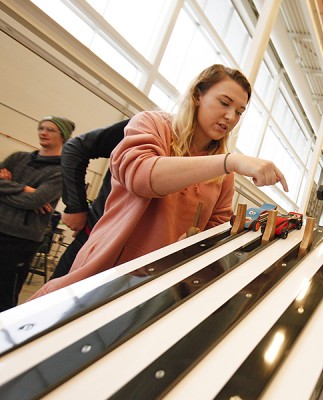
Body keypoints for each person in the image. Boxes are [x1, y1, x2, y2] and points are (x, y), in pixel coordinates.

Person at [30, 64, 288, 300]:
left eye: (239, 112)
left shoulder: (223, 173)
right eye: (224, 103)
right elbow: (142, 176)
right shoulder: (152, 125)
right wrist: (229, 161)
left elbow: (215, 228)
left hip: (158, 284)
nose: (231, 117)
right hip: (107, 271)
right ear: (198, 95)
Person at [0, 116, 75, 311]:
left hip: (20, 239)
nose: (43, 132)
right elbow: (31, 198)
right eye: (41, 128)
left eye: (50, 130)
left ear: (63, 136)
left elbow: (35, 201)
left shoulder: (61, 171)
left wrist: (7, 189)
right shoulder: (17, 158)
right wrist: (25, 188)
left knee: (5, 294)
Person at [50, 119, 128, 280]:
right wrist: (76, 206)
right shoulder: (150, 126)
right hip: (96, 240)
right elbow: (75, 149)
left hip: (140, 260)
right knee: (55, 301)